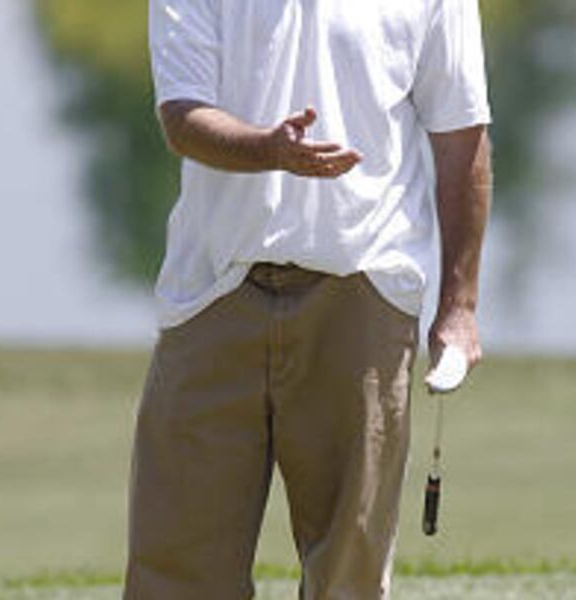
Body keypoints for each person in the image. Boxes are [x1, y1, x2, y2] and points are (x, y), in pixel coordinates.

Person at [123, 0, 492, 598]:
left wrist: (460, 305)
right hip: (215, 288)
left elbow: (461, 138)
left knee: (348, 573)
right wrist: (268, 149)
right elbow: (183, 118)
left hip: (363, 284)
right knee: (177, 569)